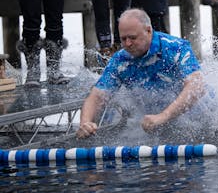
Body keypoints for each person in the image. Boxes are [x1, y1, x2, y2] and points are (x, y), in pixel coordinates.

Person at [76, 8, 206, 138]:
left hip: (198, 118)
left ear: (148, 31)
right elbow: (97, 96)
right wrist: (85, 123)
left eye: (132, 38)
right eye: (123, 39)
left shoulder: (175, 48)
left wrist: (163, 116)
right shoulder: (120, 61)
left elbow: (197, 86)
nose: (127, 44)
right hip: (154, 123)